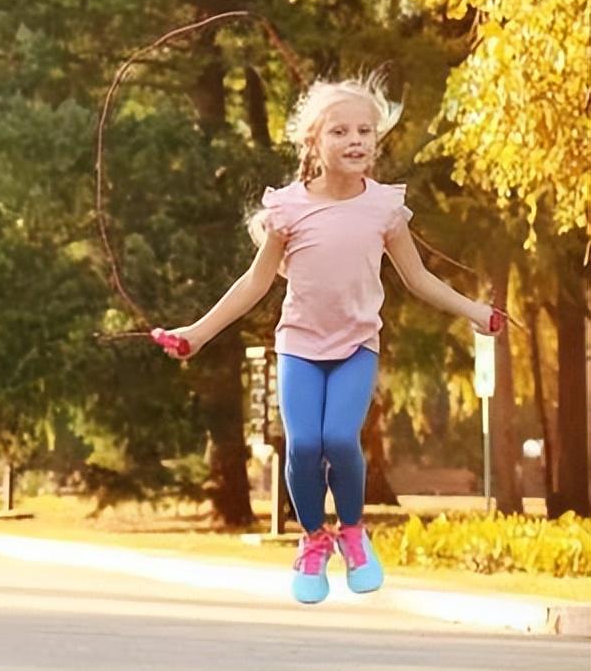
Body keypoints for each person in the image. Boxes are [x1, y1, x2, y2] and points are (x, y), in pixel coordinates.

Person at [157, 75, 501, 604]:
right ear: (313, 143)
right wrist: (197, 333)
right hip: (298, 346)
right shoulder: (288, 210)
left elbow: (418, 278)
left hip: (356, 346)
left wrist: (475, 312)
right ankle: (314, 539)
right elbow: (254, 283)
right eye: (340, 131)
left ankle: (355, 533)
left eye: (365, 130)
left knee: (340, 440)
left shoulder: (385, 208)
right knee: (303, 446)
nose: (356, 139)